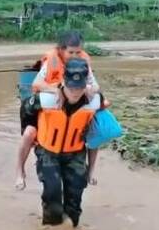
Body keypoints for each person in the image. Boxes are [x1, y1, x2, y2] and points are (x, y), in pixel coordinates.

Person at [14, 30, 102, 190]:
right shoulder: (51, 62)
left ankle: (91, 171)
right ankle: (20, 170)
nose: (75, 56)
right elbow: (36, 85)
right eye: (71, 52)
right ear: (61, 50)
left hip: (76, 102)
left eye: (78, 52)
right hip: (49, 105)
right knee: (29, 133)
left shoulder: (83, 62)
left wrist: (90, 89)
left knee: (94, 133)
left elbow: (96, 85)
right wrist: (58, 90)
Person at [23, 58, 98, 227]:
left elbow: (95, 139)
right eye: (71, 87)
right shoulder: (46, 99)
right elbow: (26, 110)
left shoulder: (94, 102)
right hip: (48, 151)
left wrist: (91, 170)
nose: (75, 92)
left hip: (75, 153)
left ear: (86, 84)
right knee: (52, 192)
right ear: (64, 81)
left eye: (79, 88)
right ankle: (51, 228)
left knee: (75, 200)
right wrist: (32, 134)